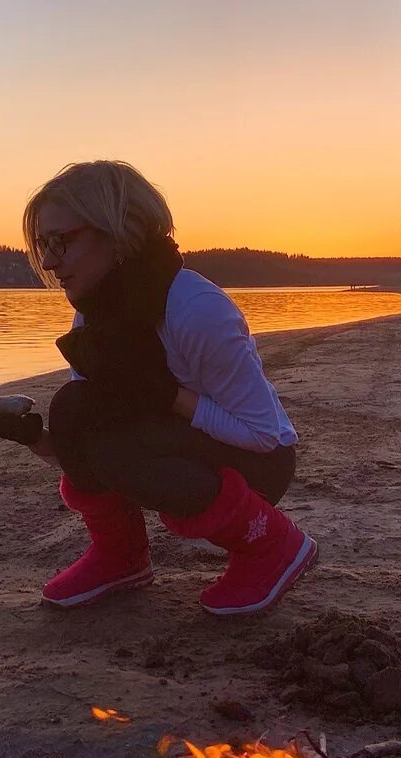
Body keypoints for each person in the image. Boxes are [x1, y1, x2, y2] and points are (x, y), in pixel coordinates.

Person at [23, 160, 316, 616]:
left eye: (61, 241)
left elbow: (266, 436)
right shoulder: (96, 313)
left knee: (122, 446)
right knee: (71, 409)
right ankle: (121, 557)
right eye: (43, 243)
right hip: (175, 437)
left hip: (258, 463)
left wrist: (165, 396)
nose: (49, 260)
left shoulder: (196, 309)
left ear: (117, 231)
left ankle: (273, 545)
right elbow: (85, 431)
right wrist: (27, 436)